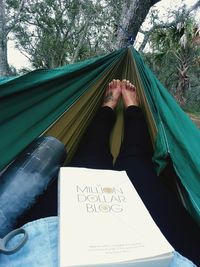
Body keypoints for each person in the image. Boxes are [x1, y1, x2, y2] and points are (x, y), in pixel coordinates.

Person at [17, 79, 200, 265]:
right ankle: (132, 109)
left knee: (89, 159)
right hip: (168, 249)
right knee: (136, 162)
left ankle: (108, 107)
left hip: (45, 243)